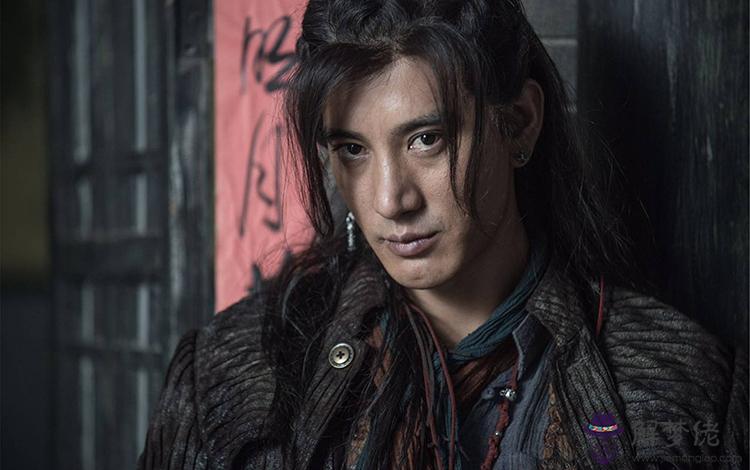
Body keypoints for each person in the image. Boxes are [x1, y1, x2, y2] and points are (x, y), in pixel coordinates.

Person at [138, 1, 748, 469]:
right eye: (352, 149)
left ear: (519, 124)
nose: (390, 200)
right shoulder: (228, 375)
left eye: (425, 139)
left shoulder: (683, 386)